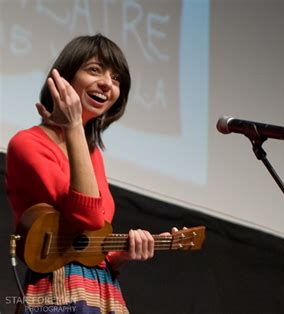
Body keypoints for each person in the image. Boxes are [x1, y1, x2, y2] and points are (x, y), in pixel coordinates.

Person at [6, 34, 170, 313]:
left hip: (101, 289)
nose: (108, 83)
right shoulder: (27, 143)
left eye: (116, 79)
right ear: (64, 78)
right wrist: (74, 128)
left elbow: (90, 240)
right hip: (57, 288)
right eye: (95, 70)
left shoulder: (93, 154)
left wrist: (121, 256)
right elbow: (88, 216)